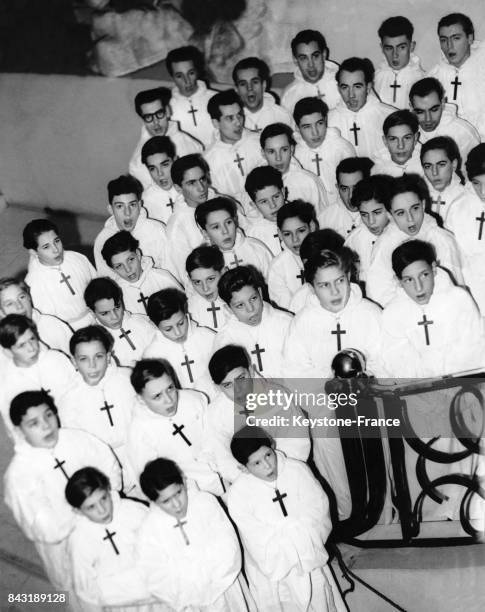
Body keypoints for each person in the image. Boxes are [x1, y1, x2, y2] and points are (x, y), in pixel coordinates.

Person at [4, 390, 122, 590]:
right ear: (19, 431)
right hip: (69, 551)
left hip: (110, 526)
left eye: (49, 415)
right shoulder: (19, 476)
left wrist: (109, 501)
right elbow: (45, 528)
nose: (46, 426)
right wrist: (88, 516)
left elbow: (109, 467)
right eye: (34, 423)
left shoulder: (76, 440)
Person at [227, 427, 347, 612]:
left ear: (273, 446)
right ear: (243, 468)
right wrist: (293, 536)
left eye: (268, 455)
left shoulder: (296, 470)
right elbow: (255, 537)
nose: (268, 465)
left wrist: (293, 537)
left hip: (308, 559)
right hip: (273, 573)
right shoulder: (238, 494)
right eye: (256, 463)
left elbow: (318, 509)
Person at [138, 458, 253, 610]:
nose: (177, 504)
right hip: (191, 603)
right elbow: (157, 577)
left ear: (184, 482)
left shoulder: (204, 502)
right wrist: (196, 590)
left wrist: (210, 580)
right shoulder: (150, 529)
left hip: (226, 588)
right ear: (153, 501)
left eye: (178, 493)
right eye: (166, 501)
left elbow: (229, 545)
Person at [207, 344, 310, 483]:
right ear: (217, 388)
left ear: (251, 370)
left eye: (241, 378)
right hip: (249, 484)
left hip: (288, 472)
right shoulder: (216, 413)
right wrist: (252, 481)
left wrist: (271, 470)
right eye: (227, 385)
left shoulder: (278, 397)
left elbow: (297, 443)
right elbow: (223, 458)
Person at [382, 240, 485, 377]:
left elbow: (474, 350)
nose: (418, 287)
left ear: (434, 268)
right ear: (398, 281)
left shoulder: (459, 300)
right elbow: (396, 363)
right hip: (419, 392)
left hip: (464, 387)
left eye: (424, 275)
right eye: (409, 280)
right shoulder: (392, 314)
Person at [65, 467, 161, 611]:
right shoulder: (80, 541)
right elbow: (86, 592)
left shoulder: (133, 511)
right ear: (78, 511)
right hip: (122, 606)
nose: (102, 510)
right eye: (91, 507)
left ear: (108, 489)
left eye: (103, 498)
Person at [127, 359, 223, 496]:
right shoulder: (139, 432)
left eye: (170, 388)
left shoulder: (194, 400)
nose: (169, 400)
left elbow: (215, 437)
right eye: (157, 396)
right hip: (189, 493)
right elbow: (153, 483)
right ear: (140, 399)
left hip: (223, 473)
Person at [283, 249, 383, 380]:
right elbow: (295, 373)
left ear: (348, 276)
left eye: (340, 281)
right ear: (312, 288)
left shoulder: (371, 313)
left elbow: (385, 362)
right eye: (325, 285)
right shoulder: (302, 322)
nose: (335, 291)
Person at [366, 174, 464, 307]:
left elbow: (454, 287)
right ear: (389, 214)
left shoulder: (442, 239)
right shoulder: (384, 245)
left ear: (423, 204)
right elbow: (379, 293)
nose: (410, 219)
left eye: (415, 208)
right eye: (401, 213)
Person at [61, 326, 138, 491]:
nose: (92, 365)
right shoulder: (70, 400)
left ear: (109, 356)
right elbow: (79, 447)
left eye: (99, 356)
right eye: (83, 359)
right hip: (103, 469)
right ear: (73, 361)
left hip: (141, 455)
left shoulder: (128, 380)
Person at [0, 315, 76, 438]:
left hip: (76, 427)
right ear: (8, 352)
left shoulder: (56, 359)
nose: (31, 348)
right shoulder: (8, 385)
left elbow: (79, 393)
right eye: (21, 345)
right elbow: (16, 430)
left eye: (32, 339)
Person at [214, 265, 293, 377]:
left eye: (253, 299)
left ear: (260, 293)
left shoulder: (286, 323)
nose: (250, 309)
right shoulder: (225, 339)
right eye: (240, 305)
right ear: (228, 309)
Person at [94, 174, 171, 279]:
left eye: (132, 205)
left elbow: (170, 270)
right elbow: (108, 282)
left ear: (140, 205)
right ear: (111, 209)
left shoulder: (156, 230)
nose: (127, 213)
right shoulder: (103, 240)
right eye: (120, 206)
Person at [23, 219, 96, 329]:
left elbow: (98, 286)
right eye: (46, 247)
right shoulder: (33, 283)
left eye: (56, 241)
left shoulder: (77, 258)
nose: (56, 250)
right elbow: (46, 323)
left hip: (96, 316)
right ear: (33, 252)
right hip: (69, 331)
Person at [143, 288, 216, 397]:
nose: (178, 333)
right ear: (154, 325)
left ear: (185, 311)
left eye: (181, 323)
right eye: (168, 329)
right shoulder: (152, 355)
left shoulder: (208, 337)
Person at [204, 89, 266, 215]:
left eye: (239, 115)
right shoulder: (208, 160)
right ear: (216, 123)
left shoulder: (259, 141)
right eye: (229, 118)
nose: (238, 122)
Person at [129, 87, 203, 189]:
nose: (156, 123)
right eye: (148, 117)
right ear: (142, 119)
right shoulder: (137, 162)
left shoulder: (190, 144)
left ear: (167, 111)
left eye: (159, 114)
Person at [428, 13, 485, 138]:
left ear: (470, 38)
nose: (449, 46)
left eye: (456, 38)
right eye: (444, 40)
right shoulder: (433, 78)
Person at [328, 57, 395, 159]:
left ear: (368, 87)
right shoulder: (328, 121)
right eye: (345, 87)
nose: (351, 95)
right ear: (338, 89)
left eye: (357, 86)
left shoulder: (389, 116)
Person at [165, 154, 218, 283]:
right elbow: (184, 273)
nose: (201, 188)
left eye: (202, 179)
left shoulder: (224, 203)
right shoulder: (177, 226)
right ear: (178, 188)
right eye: (191, 183)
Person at [101, 231, 180, 316]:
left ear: (138, 254)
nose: (128, 269)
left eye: (130, 259)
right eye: (119, 266)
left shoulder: (162, 278)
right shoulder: (116, 294)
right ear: (112, 269)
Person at [445, 144, 485, 312]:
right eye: (476, 183)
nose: (483, 192)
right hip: (471, 288)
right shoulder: (459, 207)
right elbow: (451, 256)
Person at [293, 97, 355, 204]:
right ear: (297, 128)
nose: (315, 132)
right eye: (307, 127)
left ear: (326, 120)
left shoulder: (342, 147)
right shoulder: (295, 155)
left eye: (319, 123)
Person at [84, 277, 157, 367]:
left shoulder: (142, 322)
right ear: (92, 312)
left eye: (117, 307)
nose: (115, 317)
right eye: (105, 313)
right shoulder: (96, 344)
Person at [195, 196, 273, 280]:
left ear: (235, 221)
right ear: (205, 233)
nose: (225, 231)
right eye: (216, 227)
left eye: (228, 222)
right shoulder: (203, 261)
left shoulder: (256, 248)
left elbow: (275, 284)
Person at [261, 122, 330, 215]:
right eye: (271, 151)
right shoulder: (256, 184)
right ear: (263, 153)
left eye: (284, 150)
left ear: (292, 149)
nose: (278, 158)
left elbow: (322, 220)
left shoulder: (309, 181)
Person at [409, 77, 480, 160]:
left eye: (434, 109)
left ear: (443, 103)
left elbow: (478, 171)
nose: (428, 119)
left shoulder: (464, 133)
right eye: (420, 112)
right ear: (411, 107)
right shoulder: (407, 133)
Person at [0, 277, 73, 355]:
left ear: (29, 297)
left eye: (21, 297)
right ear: (1, 312)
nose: (19, 306)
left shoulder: (52, 325)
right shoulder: (3, 346)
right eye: (9, 304)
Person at [268, 200, 317, 309]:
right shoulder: (277, 267)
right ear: (280, 234)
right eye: (287, 234)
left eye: (301, 231)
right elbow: (284, 310)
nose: (295, 239)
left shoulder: (328, 255)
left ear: (312, 226)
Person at [344, 175, 392, 286]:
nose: (371, 221)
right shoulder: (355, 240)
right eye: (364, 214)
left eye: (377, 212)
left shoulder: (401, 234)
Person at [166, 45, 216, 147]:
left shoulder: (217, 99)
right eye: (179, 76)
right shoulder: (167, 108)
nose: (187, 81)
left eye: (191, 73)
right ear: (172, 77)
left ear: (197, 72)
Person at [281, 29, 340, 114]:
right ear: (295, 60)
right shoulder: (289, 96)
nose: (311, 64)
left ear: (324, 54)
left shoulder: (342, 84)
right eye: (303, 58)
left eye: (315, 56)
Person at [232, 56, 293, 132]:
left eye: (255, 82)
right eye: (243, 84)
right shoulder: (230, 120)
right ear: (236, 89)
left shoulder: (282, 116)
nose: (249, 88)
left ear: (263, 85)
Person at [374, 16, 424, 107]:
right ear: (382, 48)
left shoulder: (422, 79)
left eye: (401, 47)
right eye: (389, 48)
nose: (395, 55)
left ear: (412, 46)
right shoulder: (374, 80)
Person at [319, 157, 373, 237]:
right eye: (344, 189)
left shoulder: (379, 213)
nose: (351, 196)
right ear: (337, 188)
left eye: (356, 188)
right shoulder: (325, 219)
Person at [420, 136, 467, 223]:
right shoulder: (416, 196)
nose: (434, 172)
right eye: (428, 166)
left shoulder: (466, 198)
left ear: (454, 164)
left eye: (441, 164)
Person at [185, 246, 229, 332]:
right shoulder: (189, 309)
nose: (205, 289)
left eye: (210, 279)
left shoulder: (237, 299)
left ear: (223, 272)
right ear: (190, 280)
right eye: (197, 282)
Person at [244, 166, 285, 255]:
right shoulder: (253, 235)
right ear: (254, 205)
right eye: (264, 201)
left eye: (276, 197)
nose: (273, 205)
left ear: (284, 192)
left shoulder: (302, 216)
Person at [372, 109, 422, 177]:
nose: (400, 146)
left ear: (415, 138)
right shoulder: (377, 171)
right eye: (393, 139)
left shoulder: (427, 165)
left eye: (407, 138)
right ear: (385, 141)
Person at [140, 136, 179, 224]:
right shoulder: (146, 200)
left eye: (165, 165)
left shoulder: (191, 187)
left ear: (175, 160)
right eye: (152, 168)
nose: (160, 174)